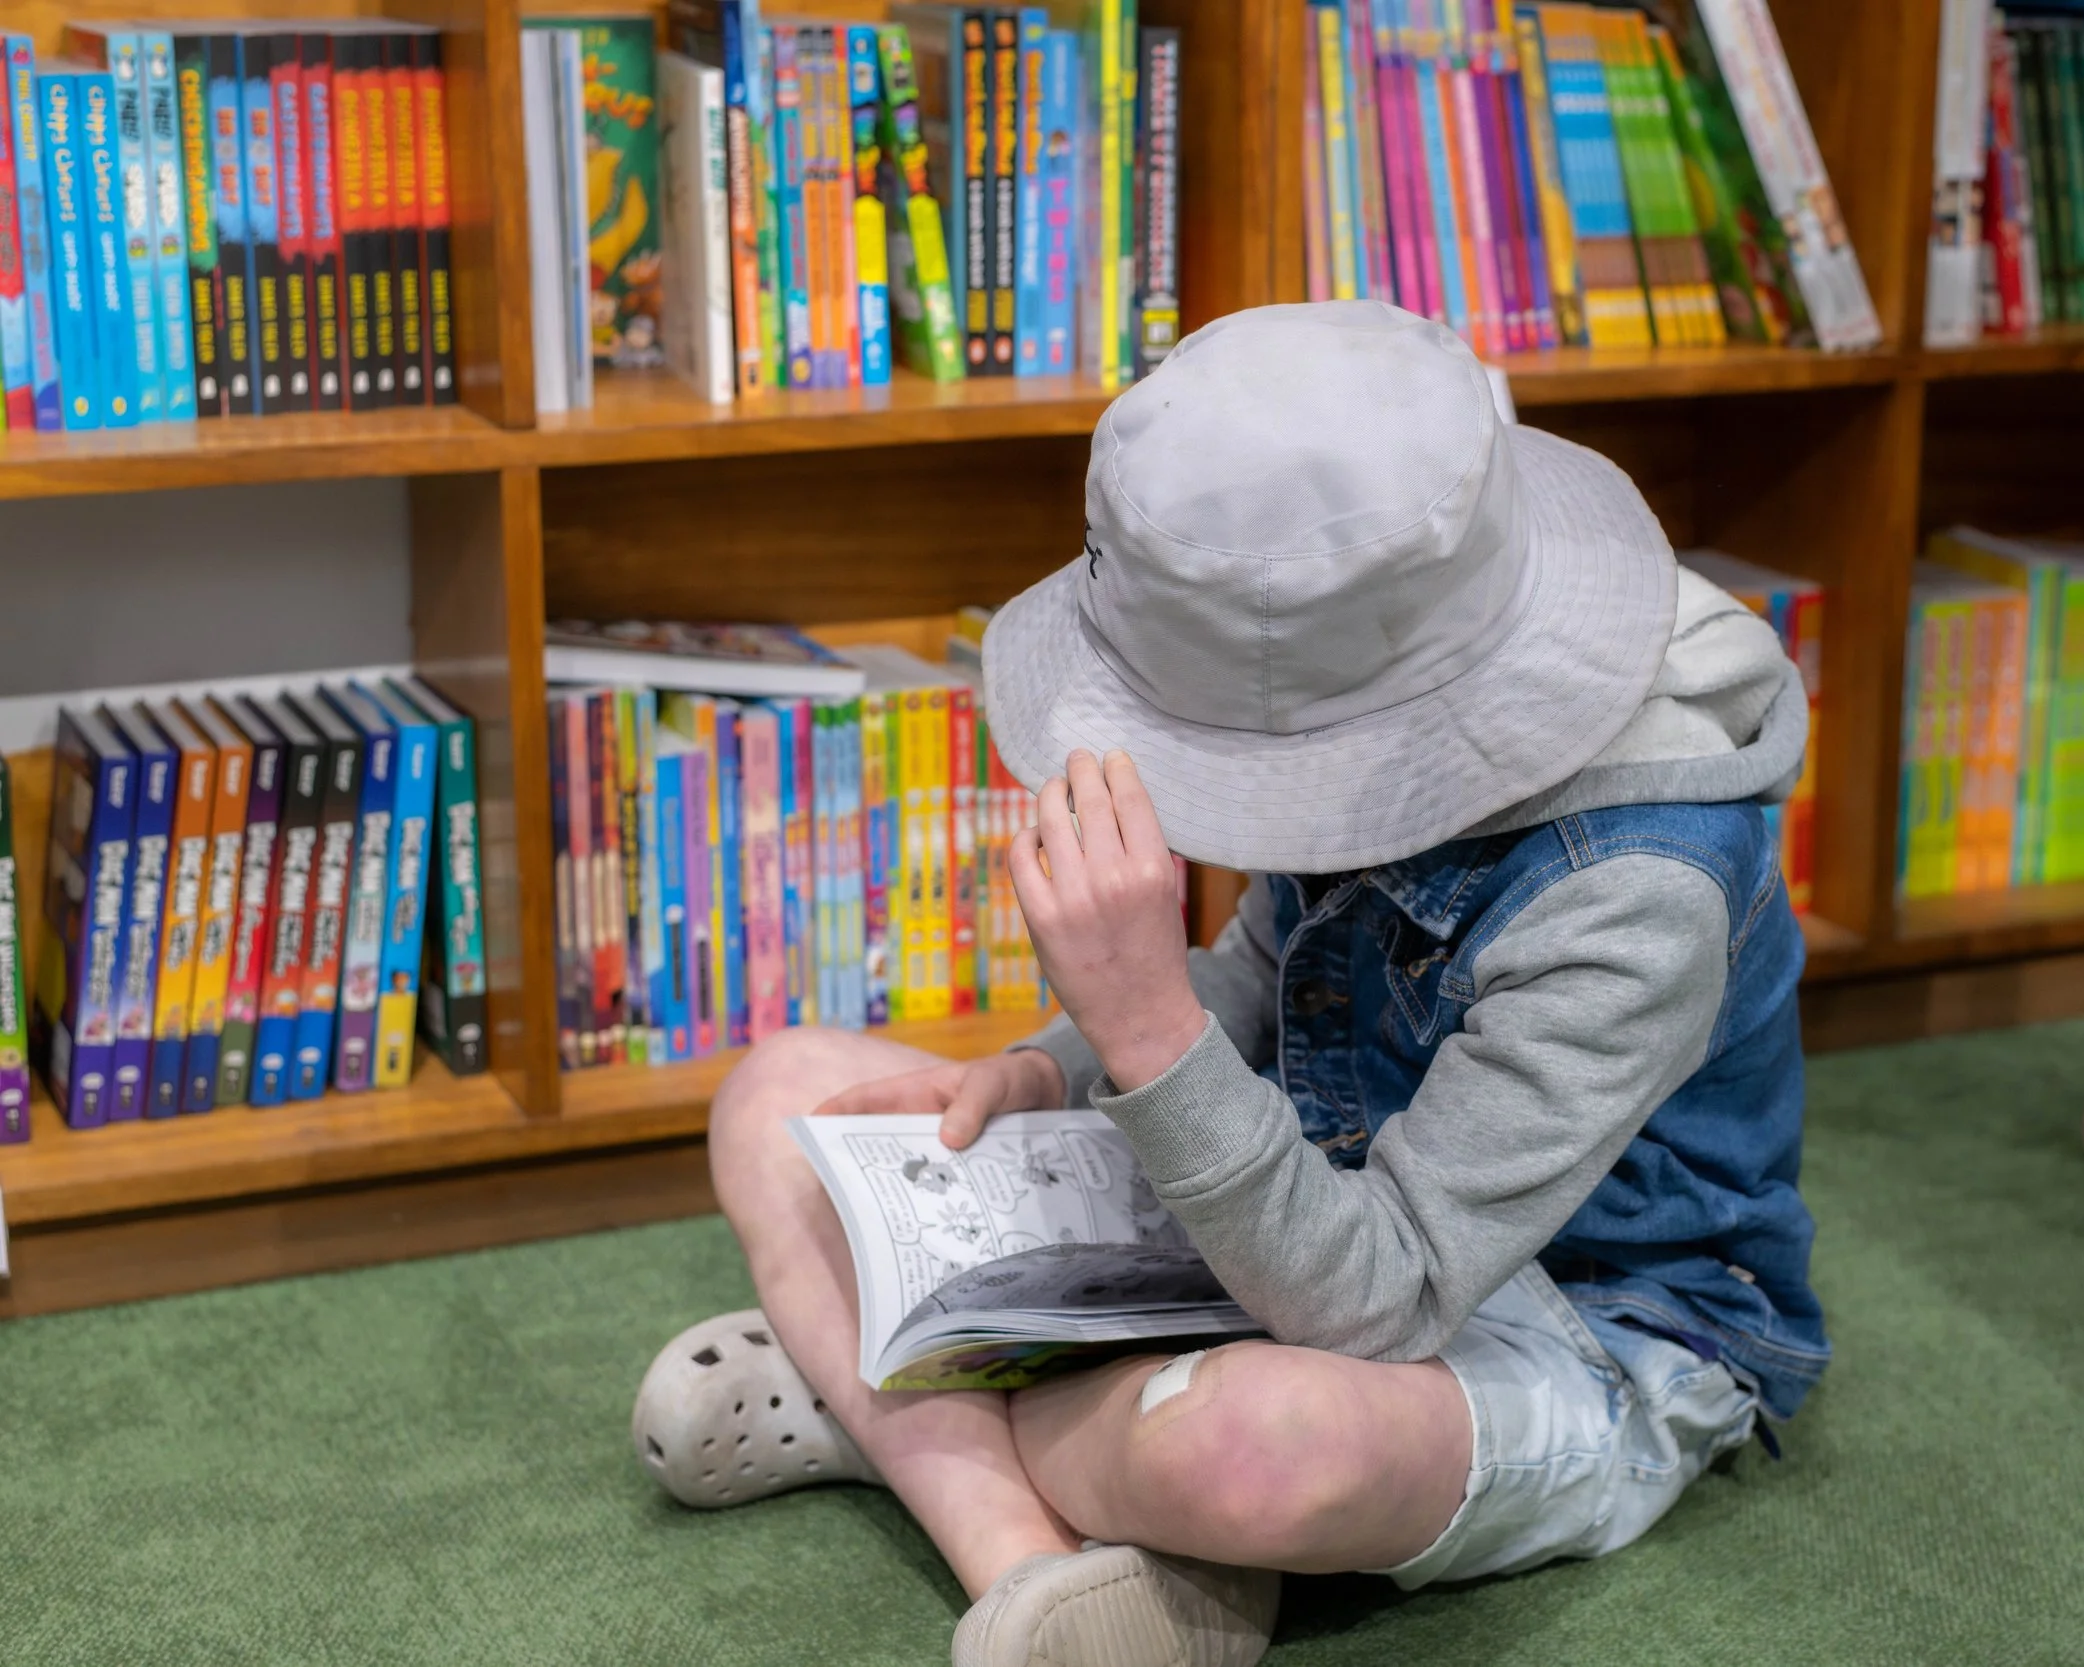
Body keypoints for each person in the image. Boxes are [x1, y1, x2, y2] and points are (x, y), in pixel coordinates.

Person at [631, 302, 1824, 1666]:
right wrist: (1053, 1066)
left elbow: (1390, 1291)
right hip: (1282, 1207)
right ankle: (1039, 1561)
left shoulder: (1640, 886)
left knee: (1250, 1450)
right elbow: (1263, 988)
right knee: (779, 1092)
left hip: (1576, 1318)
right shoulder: (1382, 674)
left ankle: (899, 1405)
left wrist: (1142, 1024)